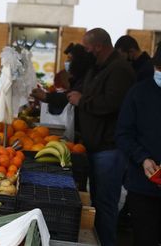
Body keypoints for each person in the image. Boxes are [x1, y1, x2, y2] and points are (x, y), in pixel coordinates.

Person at [67, 28, 135, 246]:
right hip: (96, 146)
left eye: (87, 47)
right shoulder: (98, 67)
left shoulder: (120, 70)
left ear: (98, 46)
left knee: (105, 204)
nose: (85, 51)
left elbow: (112, 103)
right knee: (98, 201)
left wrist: (82, 101)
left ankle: (107, 242)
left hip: (109, 148)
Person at [115, 43, 161, 246]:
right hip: (143, 186)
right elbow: (123, 134)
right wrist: (142, 158)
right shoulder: (138, 93)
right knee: (145, 238)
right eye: (158, 69)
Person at [31, 43, 95, 117]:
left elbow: (69, 98)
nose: (67, 62)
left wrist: (46, 96)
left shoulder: (86, 80)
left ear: (79, 62)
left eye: (70, 59)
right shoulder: (78, 78)